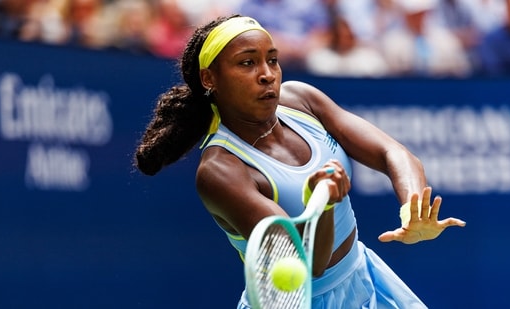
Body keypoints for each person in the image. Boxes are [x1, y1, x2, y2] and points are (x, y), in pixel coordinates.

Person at [134, 15, 466, 308]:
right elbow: (307, 266)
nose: (267, 75)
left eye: (273, 60)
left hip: (364, 277)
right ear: (210, 79)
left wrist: (412, 208)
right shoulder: (220, 171)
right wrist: (320, 205)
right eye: (247, 63)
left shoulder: (301, 100)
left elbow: (392, 152)